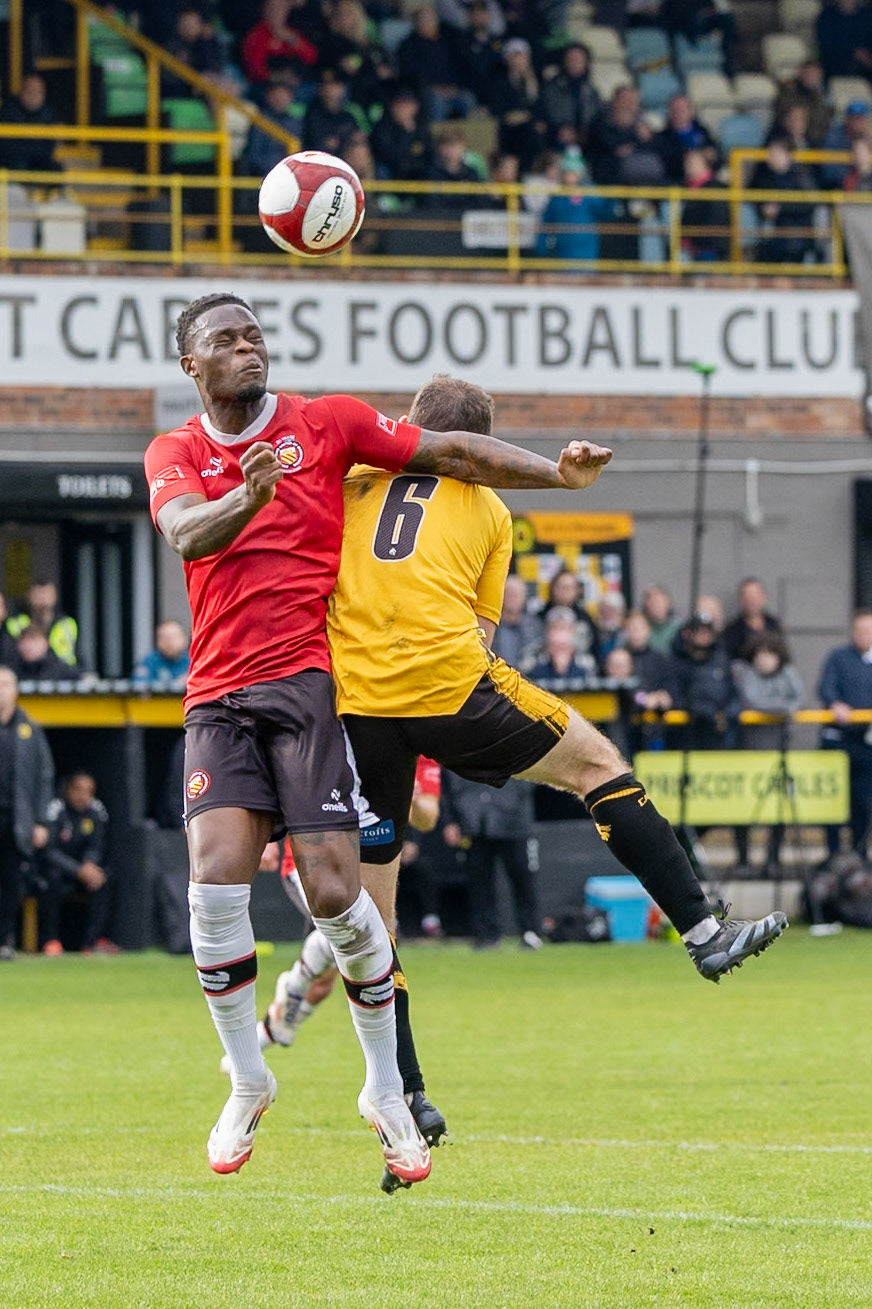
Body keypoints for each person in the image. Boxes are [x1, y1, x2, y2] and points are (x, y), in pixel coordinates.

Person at [144, 292, 612, 1186]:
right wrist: (246, 496)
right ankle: (248, 1077)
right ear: (191, 365)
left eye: (255, 335)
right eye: (225, 340)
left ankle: (384, 1088)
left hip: (309, 688)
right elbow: (183, 533)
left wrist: (557, 475)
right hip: (219, 697)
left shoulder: (328, 423)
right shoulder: (175, 451)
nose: (248, 348)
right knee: (214, 886)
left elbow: (455, 451)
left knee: (337, 893)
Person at [325, 374, 787, 1033]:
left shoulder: (352, 482)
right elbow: (482, 634)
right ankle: (703, 930)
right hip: (447, 685)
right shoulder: (489, 508)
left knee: (377, 921)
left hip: (356, 704)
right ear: (480, 447)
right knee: (597, 765)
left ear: (412, 423)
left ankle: (400, 1084)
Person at [442, 772, 542, 951]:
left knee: (522, 877)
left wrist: (511, 801)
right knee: (479, 882)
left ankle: (530, 931)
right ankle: (487, 934)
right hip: (473, 823)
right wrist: (451, 820)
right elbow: (448, 788)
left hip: (513, 821)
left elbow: (529, 778)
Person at [731, 632, 805, 875]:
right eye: (759, 654)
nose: (763, 659)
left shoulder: (789, 674)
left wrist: (779, 706)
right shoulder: (746, 674)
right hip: (749, 752)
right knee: (743, 809)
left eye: (769, 654)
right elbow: (754, 700)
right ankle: (743, 859)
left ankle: (772, 859)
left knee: (778, 809)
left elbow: (799, 699)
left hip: (779, 751)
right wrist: (784, 707)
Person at [0, 665, 53, 961]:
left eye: (6, 684)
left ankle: (5, 940)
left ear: (16, 690)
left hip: (16, 820)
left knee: (11, 881)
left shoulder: (29, 729)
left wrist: (41, 820)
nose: (1, 691)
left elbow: (44, 777)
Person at [39, 772, 116, 955]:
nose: (83, 796)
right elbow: (49, 851)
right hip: (59, 871)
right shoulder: (56, 810)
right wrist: (77, 870)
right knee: (51, 879)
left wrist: (89, 864)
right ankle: (50, 940)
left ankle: (93, 941)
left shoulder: (96, 811)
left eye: (88, 791)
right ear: (68, 790)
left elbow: (97, 844)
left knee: (104, 878)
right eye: (78, 790)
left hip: (83, 872)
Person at [817, 609, 872, 860]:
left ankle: (860, 855)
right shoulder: (838, 657)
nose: (864, 635)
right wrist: (836, 704)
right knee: (832, 801)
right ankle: (833, 855)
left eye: (869, 631)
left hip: (866, 742)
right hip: (838, 740)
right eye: (860, 630)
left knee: (862, 801)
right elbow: (825, 687)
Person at [750, 135, 816, 265]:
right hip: (773, 238)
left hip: (794, 238)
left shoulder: (800, 177)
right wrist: (764, 208)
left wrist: (780, 208)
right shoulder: (768, 178)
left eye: (776, 153)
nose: (771, 157)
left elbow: (809, 203)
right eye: (770, 154)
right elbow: (755, 198)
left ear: (788, 155)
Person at [537, 43, 601, 152]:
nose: (575, 63)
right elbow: (545, 114)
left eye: (579, 59)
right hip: (556, 138)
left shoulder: (591, 91)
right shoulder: (551, 88)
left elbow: (595, 117)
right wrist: (559, 129)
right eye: (571, 59)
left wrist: (583, 132)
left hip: (586, 140)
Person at [241, 0, 319, 85]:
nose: (278, 13)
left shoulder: (292, 33)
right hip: (268, 85)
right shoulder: (256, 36)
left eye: (282, 10)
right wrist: (280, 77)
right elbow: (256, 70)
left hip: (297, 83)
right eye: (273, 10)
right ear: (265, 11)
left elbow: (312, 57)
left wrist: (292, 40)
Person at [6, 580, 80, 667]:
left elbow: (77, 653)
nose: (43, 599)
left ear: (55, 596)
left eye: (46, 594)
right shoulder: (16, 623)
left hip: (65, 672)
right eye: (38, 595)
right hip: (26, 671)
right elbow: (8, 654)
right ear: (29, 596)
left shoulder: (66, 624)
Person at [0, 72, 62, 175]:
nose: (34, 96)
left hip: (38, 160)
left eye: (38, 92)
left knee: (56, 169)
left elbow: (50, 147)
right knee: (18, 166)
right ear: (21, 91)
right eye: (30, 90)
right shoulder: (8, 111)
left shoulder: (48, 114)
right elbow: (7, 148)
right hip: (13, 162)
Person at [369, 85, 433, 181]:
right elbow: (389, 156)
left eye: (407, 105)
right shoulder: (382, 128)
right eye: (400, 104)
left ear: (416, 107)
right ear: (392, 107)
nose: (403, 109)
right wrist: (406, 132)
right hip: (392, 172)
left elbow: (429, 155)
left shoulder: (421, 129)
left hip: (416, 173)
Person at [655, 93, 719, 186]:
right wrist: (690, 157)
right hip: (678, 183)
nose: (679, 112)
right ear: (669, 112)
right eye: (675, 109)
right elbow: (666, 162)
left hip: (708, 182)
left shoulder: (703, 132)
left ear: (691, 111)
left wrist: (711, 155)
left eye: (683, 108)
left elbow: (715, 153)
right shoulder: (662, 137)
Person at [681, 147, 729, 261]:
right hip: (689, 245)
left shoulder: (717, 189)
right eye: (687, 162)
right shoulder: (683, 188)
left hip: (709, 248)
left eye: (693, 161)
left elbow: (715, 221)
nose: (689, 165)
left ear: (705, 163)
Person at [722, 577, 784, 661]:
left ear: (762, 597)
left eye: (754, 597)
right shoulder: (732, 630)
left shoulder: (773, 624)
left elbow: (783, 654)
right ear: (740, 600)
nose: (751, 601)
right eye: (747, 597)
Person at [529, 607, 596, 683]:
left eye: (564, 628)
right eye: (555, 628)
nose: (560, 635)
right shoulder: (533, 662)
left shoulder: (586, 663)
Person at [490, 574, 543, 671]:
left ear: (524, 597)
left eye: (517, 594)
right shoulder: (491, 625)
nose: (513, 598)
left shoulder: (535, 626)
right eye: (509, 594)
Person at [773, 61, 831, 148]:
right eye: (809, 73)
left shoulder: (819, 97)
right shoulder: (788, 92)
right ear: (801, 73)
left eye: (815, 74)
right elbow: (784, 116)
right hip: (786, 138)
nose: (812, 77)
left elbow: (823, 120)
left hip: (814, 140)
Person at [302, 71, 358, 156]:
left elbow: (355, 138)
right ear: (320, 89)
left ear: (342, 89)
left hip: (345, 158)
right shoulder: (311, 115)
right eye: (326, 86)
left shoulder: (348, 117)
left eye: (335, 85)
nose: (330, 90)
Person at [816, 0, 872, 82]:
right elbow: (826, 46)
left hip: (865, 71)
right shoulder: (826, 16)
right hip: (835, 70)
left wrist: (866, 58)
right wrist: (855, 53)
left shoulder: (866, 16)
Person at [13, 626, 84, 683]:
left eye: (34, 640)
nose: (28, 646)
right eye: (23, 640)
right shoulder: (12, 672)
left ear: (46, 643)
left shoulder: (63, 671)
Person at [132, 619, 191, 687]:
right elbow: (139, 684)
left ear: (185, 639)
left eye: (174, 637)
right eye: (165, 638)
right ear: (157, 641)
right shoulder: (149, 662)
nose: (169, 642)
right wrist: (176, 683)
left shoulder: (193, 661)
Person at [642, 583, 681, 654]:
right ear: (646, 606)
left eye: (658, 601)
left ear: (667, 603)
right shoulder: (641, 628)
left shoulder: (678, 628)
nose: (656, 606)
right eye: (652, 602)